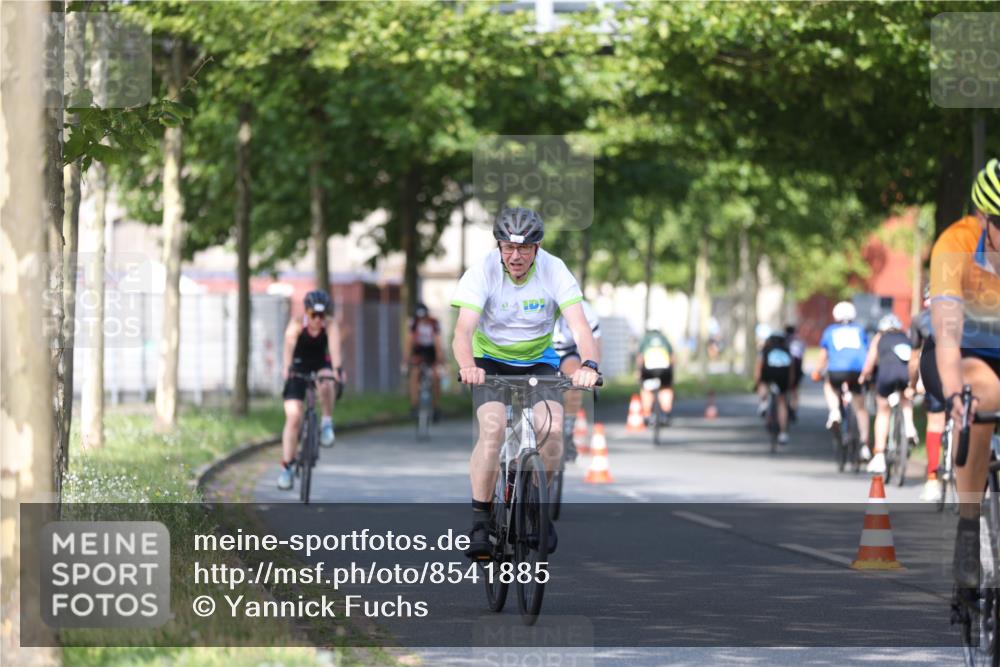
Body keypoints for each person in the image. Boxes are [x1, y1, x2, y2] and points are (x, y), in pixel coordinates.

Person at [452, 207, 600, 559]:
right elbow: (463, 330)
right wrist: (467, 365)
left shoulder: (554, 269)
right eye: (507, 248)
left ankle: (536, 504)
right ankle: (480, 521)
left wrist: (590, 364)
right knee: (492, 430)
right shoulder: (483, 271)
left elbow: (580, 326)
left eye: (524, 249)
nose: (515, 256)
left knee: (549, 430)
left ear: (537, 247)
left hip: (539, 361)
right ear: (499, 246)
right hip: (489, 362)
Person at [920, 158, 1000, 593]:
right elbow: (948, 337)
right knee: (981, 394)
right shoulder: (956, 244)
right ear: (985, 218)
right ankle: (968, 530)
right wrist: (955, 396)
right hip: (959, 354)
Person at [277, 290, 344, 490]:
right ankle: (287, 467)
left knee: (326, 383)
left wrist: (337, 371)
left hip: (320, 365)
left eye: (321, 315)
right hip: (298, 367)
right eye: (313, 315)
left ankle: (326, 423)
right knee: (294, 416)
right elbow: (288, 347)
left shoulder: (330, 326)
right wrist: (288, 369)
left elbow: (334, 351)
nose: (317, 320)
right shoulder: (297, 324)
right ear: (306, 312)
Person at [858, 314, 917, 474]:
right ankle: (910, 427)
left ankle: (879, 455)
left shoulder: (879, 338)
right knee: (905, 397)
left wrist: (864, 376)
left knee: (883, 410)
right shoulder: (906, 337)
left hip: (886, 375)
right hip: (905, 375)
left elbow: (870, 362)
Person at [812, 301, 871, 459]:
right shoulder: (860, 330)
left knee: (829, 385)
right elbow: (868, 352)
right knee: (860, 407)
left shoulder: (830, 331)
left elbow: (824, 356)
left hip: (837, 371)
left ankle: (835, 411)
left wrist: (817, 372)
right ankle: (865, 445)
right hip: (857, 372)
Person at [909, 287, 946, 502]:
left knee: (935, 422)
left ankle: (932, 479)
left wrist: (912, 385)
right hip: (962, 370)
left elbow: (914, 360)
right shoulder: (966, 314)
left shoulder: (920, 320)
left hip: (934, 370)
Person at [552, 299, 601, 461]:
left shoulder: (585, 309)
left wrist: (593, 370)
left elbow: (595, 343)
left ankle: (567, 432)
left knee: (574, 379)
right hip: (538, 351)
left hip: (567, 352)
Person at [754, 329, 794, 445]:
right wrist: (790, 384)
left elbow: (759, 367)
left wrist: (757, 382)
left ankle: (764, 403)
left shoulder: (765, 350)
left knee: (763, 384)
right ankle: (783, 433)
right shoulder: (787, 350)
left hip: (769, 374)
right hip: (783, 377)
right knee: (782, 402)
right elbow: (792, 370)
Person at [405, 302, 444, 420]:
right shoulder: (413, 323)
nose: (422, 320)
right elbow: (409, 342)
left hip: (431, 351)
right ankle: (414, 405)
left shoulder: (434, 323)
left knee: (436, 376)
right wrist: (406, 359)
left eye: (424, 317)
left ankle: (436, 406)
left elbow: (437, 342)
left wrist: (440, 359)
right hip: (419, 350)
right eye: (420, 318)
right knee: (415, 374)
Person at [636, 328, 674, 427]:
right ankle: (666, 414)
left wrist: (639, 372)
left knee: (646, 389)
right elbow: (672, 357)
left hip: (649, 369)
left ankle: (647, 415)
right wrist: (672, 372)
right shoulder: (664, 339)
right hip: (665, 369)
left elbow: (640, 358)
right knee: (665, 388)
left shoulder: (645, 339)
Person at [785, 324, 805, 422]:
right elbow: (801, 357)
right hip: (796, 368)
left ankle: (786, 406)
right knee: (795, 390)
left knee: (783, 391)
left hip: (783, 367)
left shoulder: (783, 341)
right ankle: (793, 409)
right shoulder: (798, 342)